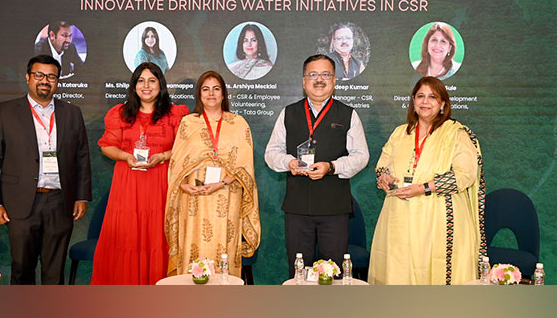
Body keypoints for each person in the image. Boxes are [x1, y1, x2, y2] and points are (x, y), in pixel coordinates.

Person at [0, 55, 91, 284]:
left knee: (54, 271)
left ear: (57, 81)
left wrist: (81, 196)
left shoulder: (72, 113)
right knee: (22, 270)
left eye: (51, 76)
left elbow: (82, 157)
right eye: (39, 75)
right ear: (28, 78)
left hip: (60, 202)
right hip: (19, 203)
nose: (45, 81)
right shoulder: (5, 112)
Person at [368, 76, 484, 285]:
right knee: (398, 273)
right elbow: (382, 164)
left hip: (439, 218)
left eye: (432, 97)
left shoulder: (456, 133)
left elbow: (465, 174)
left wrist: (423, 188)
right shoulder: (399, 133)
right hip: (399, 219)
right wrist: (383, 177)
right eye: (420, 96)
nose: (425, 101)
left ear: (442, 104)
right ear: (413, 101)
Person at [265, 54, 369, 278]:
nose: (319, 80)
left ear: (334, 81)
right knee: (299, 273)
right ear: (303, 82)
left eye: (325, 75)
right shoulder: (289, 113)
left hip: (335, 209)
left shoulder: (349, 114)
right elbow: (271, 153)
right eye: (313, 75)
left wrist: (332, 167)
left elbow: (361, 156)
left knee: (332, 274)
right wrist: (289, 162)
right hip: (297, 208)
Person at [91, 62, 188, 285]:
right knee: (128, 239)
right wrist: (126, 156)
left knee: (158, 237)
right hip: (127, 186)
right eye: (141, 80)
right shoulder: (119, 113)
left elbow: (185, 149)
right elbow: (107, 146)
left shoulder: (175, 114)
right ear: (134, 86)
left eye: (152, 80)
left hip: (160, 184)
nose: (146, 85)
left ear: (160, 85)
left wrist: (162, 156)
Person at [165, 70, 260, 277]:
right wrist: (182, 186)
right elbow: (176, 163)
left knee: (224, 245)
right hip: (193, 197)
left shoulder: (238, 123)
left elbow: (245, 165)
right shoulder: (188, 123)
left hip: (226, 195)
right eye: (205, 89)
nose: (211, 94)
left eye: (216, 89)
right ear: (199, 94)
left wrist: (223, 183)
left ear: (223, 94)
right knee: (193, 245)